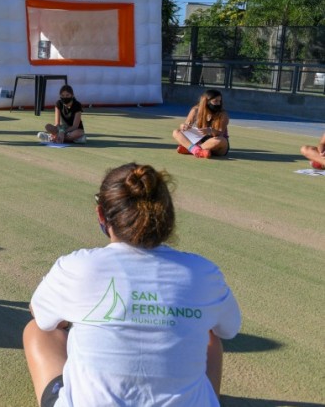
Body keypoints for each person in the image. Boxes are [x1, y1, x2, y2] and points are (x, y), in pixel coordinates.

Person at [23, 162, 241, 406]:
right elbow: (228, 328)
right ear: (168, 216)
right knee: (210, 336)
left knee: (38, 330)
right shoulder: (203, 272)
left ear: (102, 215)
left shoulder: (78, 266)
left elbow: (39, 312)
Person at [172, 89, 229, 159]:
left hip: (216, 145)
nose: (218, 104)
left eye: (220, 101)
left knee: (221, 140)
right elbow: (184, 128)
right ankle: (198, 151)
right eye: (215, 101)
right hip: (197, 140)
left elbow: (221, 133)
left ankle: (191, 149)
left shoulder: (223, 114)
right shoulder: (195, 110)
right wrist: (183, 126)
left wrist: (210, 131)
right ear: (206, 101)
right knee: (176, 132)